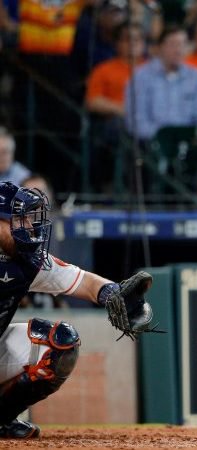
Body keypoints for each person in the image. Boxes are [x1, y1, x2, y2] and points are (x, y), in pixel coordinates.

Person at [0, 181, 158, 439]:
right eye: (18, 220)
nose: (28, 228)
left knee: (59, 343)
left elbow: (83, 280)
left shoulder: (26, 261)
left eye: (27, 219)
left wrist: (114, 295)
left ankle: (2, 420)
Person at [124, 25, 197, 141]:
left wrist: (188, 136)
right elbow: (136, 122)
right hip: (151, 143)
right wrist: (166, 138)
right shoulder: (140, 77)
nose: (179, 50)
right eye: (173, 44)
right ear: (159, 47)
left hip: (190, 143)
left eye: (183, 44)